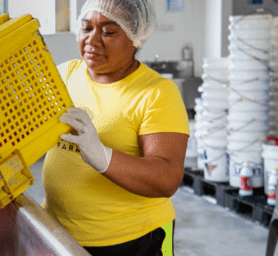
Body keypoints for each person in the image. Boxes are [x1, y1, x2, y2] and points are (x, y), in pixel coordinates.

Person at [41, 0, 189, 255]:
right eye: (86, 28)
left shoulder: (157, 93)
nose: (92, 40)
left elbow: (167, 178)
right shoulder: (66, 74)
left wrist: (103, 157)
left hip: (133, 241)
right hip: (60, 233)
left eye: (108, 32)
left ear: (135, 38)